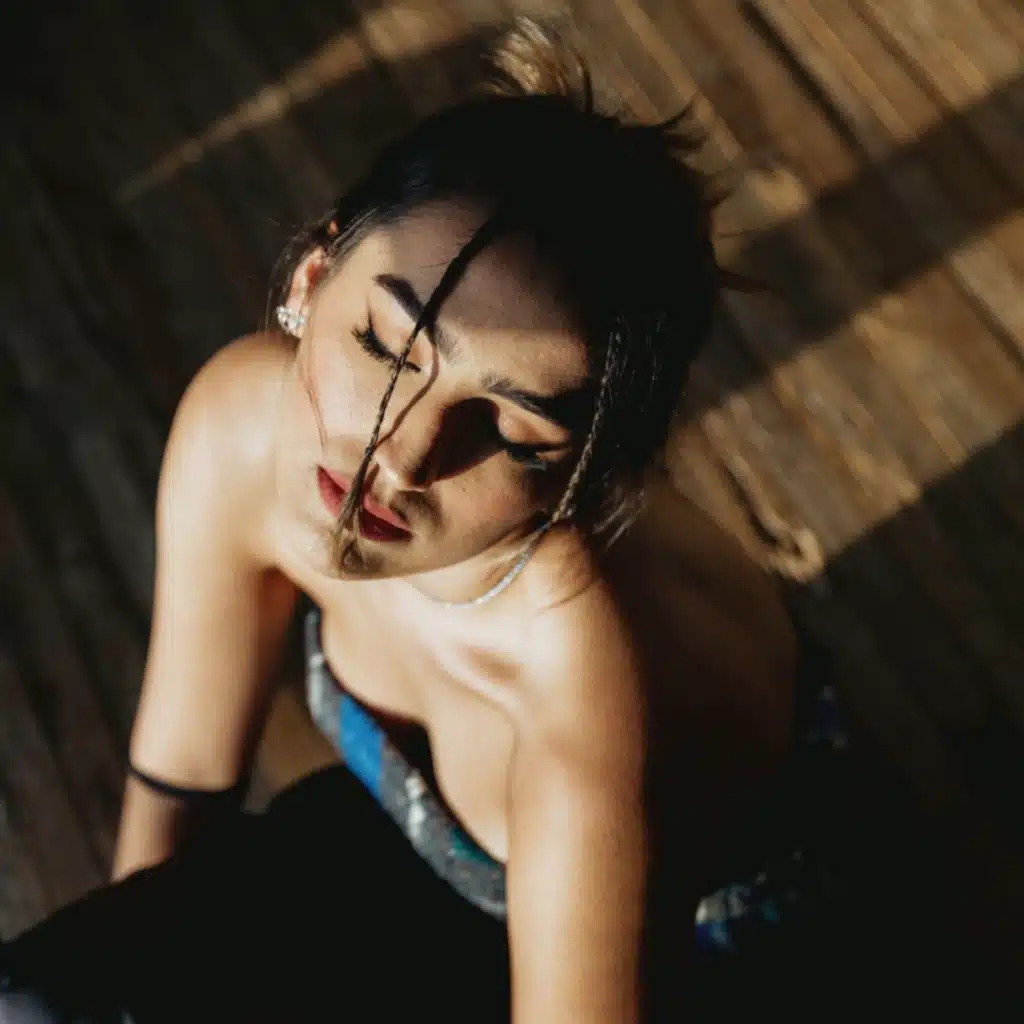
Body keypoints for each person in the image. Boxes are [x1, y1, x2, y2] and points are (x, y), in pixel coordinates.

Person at [0, 20, 846, 1023]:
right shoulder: (244, 433)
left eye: (510, 430)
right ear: (313, 277)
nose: (395, 454)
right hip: (397, 857)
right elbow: (181, 781)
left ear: (589, 477)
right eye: (384, 345)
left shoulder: (596, 695)